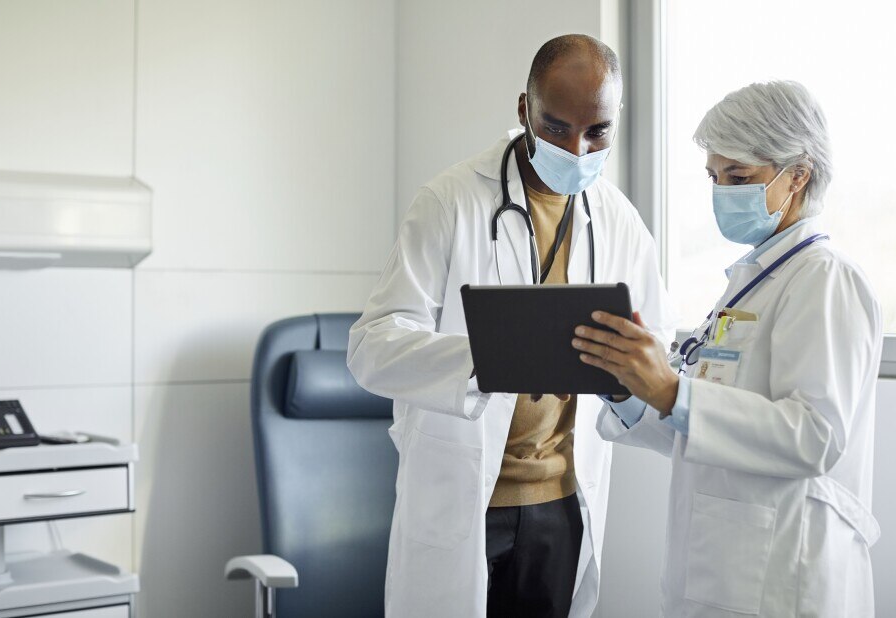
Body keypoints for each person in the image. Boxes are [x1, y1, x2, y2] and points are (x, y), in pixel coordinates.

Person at [348, 34, 676, 618]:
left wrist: (629, 370)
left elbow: (659, 351)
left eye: (597, 131)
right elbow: (371, 347)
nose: (576, 149)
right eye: (556, 128)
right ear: (525, 109)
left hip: (562, 501)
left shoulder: (620, 220)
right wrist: (489, 357)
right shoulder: (450, 201)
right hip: (464, 499)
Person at [572, 80, 882, 617]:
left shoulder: (825, 279)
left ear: (798, 175)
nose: (721, 193)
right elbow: (698, 430)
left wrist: (674, 393)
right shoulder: (749, 284)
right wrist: (628, 390)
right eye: (714, 177)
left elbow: (815, 437)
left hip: (786, 577)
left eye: (738, 177)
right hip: (722, 568)